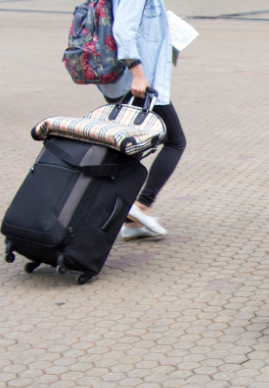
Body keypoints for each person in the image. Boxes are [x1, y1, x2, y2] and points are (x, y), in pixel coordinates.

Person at [99, 0, 187, 240]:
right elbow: (123, 31)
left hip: (128, 82)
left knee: (131, 149)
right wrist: (138, 74)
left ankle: (131, 222)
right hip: (139, 83)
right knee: (175, 141)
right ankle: (142, 206)